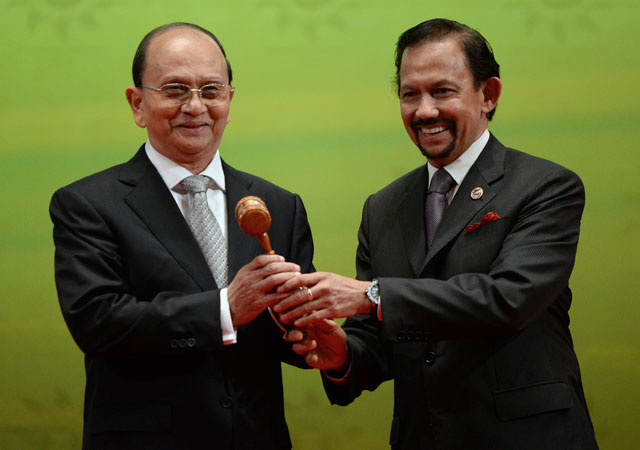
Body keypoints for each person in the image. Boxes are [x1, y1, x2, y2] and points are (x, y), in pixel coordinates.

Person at [274, 18, 599, 449]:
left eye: (442, 91)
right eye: (410, 94)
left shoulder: (546, 185)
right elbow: (377, 340)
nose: (424, 111)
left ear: (488, 95)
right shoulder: (383, 207)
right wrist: (343, 355)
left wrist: (372, 295)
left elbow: (509, 299)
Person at [49, 22, 314, 450]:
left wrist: (309, 332)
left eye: (211, 90)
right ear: (137, 104)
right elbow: (99, 323)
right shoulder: (88, 204)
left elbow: (290, 338)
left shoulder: (279, 205)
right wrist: (224, 308)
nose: (196, 106)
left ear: (230, 98)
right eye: (175, 90)